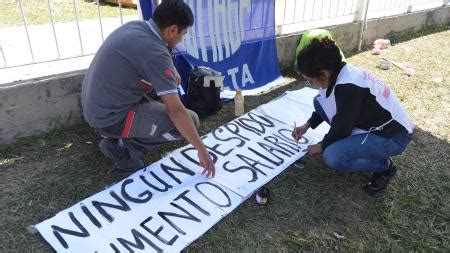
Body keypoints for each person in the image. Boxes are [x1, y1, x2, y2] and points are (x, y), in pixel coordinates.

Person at [81, 0, 215, 177]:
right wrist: (202, 150)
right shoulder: (155, 54)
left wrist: (171, 70)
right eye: (183, 33)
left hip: (97, 107)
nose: (182, 39)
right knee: (191, 120)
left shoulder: (138, 27)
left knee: (165, 88)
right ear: (172, 30)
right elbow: (176, 112)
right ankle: (122, 148)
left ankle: (119, 134)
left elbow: (155, 58)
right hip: (109, 117)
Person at [292, 37, 414, 194]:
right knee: (318, 101)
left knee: (333, 156)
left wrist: (322, 146)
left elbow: (342, 125)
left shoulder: (348, 88)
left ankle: (384, 167)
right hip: (370, 123)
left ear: (323, 73)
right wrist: (307, 125)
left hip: (393, 136)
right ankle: (352, 146)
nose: (307, 80)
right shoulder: (337, 73)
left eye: (308, 78)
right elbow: (329, 104)